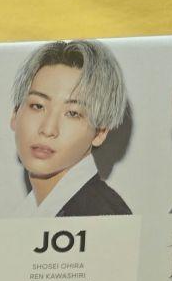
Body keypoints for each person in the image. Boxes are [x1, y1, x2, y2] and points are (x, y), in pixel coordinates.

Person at [9, 39, 131, 216]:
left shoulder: (103, 216)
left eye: (72, 113)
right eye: (38, 106)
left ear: (100, 132)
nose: (48, 129)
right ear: (15, 113)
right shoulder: (28, 212)